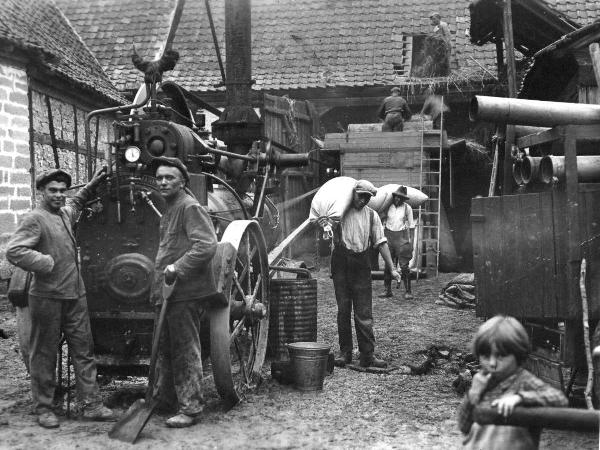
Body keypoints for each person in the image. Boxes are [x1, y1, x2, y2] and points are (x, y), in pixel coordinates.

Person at [6, 167, 114, 429]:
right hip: (47, 297)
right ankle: (44, 408)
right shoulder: (35, 218)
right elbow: (14, 250)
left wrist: (92, 184)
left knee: (84, 351)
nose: (59, 195)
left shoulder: (65, 214)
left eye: (62, 191)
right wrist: (43, 262)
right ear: (41, 191)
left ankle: (91, 404)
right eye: (53, 190)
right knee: (44, 354)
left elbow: (77, 203)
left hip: (75, 295)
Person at [150, 156, 217, 428]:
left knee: (185, 349)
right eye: (160, 178)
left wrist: (177, 267)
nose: (163, 182)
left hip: (186, 292)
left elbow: (207, 245)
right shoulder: (170, 207)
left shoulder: (189, 207)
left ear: (183, 182)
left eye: (169, 178)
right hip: (169, 292)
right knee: (165, 347)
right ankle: (164, 400)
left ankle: (191, 408)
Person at [320, 180, 401, 369]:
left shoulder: (372, 216)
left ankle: (367, 355)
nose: (364, 200)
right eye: (361, 195)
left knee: (364, 312)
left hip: (361, 265)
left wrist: (393, 269)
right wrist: (324, 229)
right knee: (343, 310)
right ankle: (345, 353)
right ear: (353, 193)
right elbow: (325, 241)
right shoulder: (339, 213)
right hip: (341, 263)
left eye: (367, 197)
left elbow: (381, 242)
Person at [457, 316, 568, 449]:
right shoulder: (481, 381)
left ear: (517, 354)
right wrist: (472, 396)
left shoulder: (524, 380)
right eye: (486, 356)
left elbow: (560, 400)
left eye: (500, 356)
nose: (492, 363)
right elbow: (464, 426)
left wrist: (520, 398)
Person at [380, 186, 416, 299]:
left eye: (400, 198)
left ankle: (408, 291)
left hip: (401, 237)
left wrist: (411, 243)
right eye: (396, 197)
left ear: (404, 199)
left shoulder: (407, 208)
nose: (397, 199)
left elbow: (411, 226)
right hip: (389, 236)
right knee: (388, 264)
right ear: (393, 196)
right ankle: (387, 290)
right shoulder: (388, 207)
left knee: (404, 266)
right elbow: (381, 219)